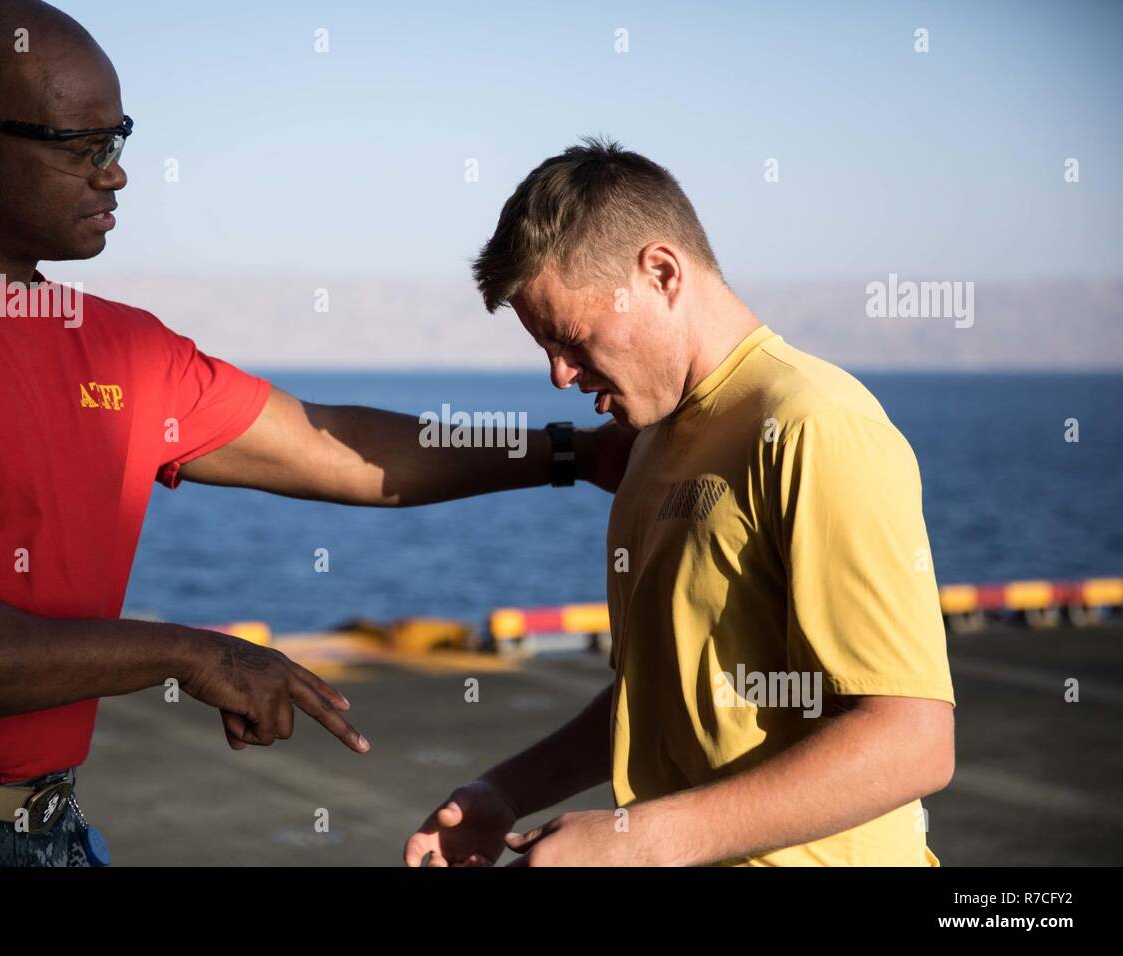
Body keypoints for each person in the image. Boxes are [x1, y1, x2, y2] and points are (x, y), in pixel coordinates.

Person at [0, 0, 632, 866]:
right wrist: (185, 652)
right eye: (82, 149)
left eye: (119, 140)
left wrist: (571, 453)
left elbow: (334, 443)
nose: (116, 175)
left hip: (47, 828)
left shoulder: (121, 344)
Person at [404, 138, 956, 867]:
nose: (559, 376)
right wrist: (505, 791)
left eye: (570, 339)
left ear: (661, 273)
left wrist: (641, 841)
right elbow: (664, 700)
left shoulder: (814, 425)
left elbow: (912, 741)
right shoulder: (649, 443)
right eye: (544, 349)